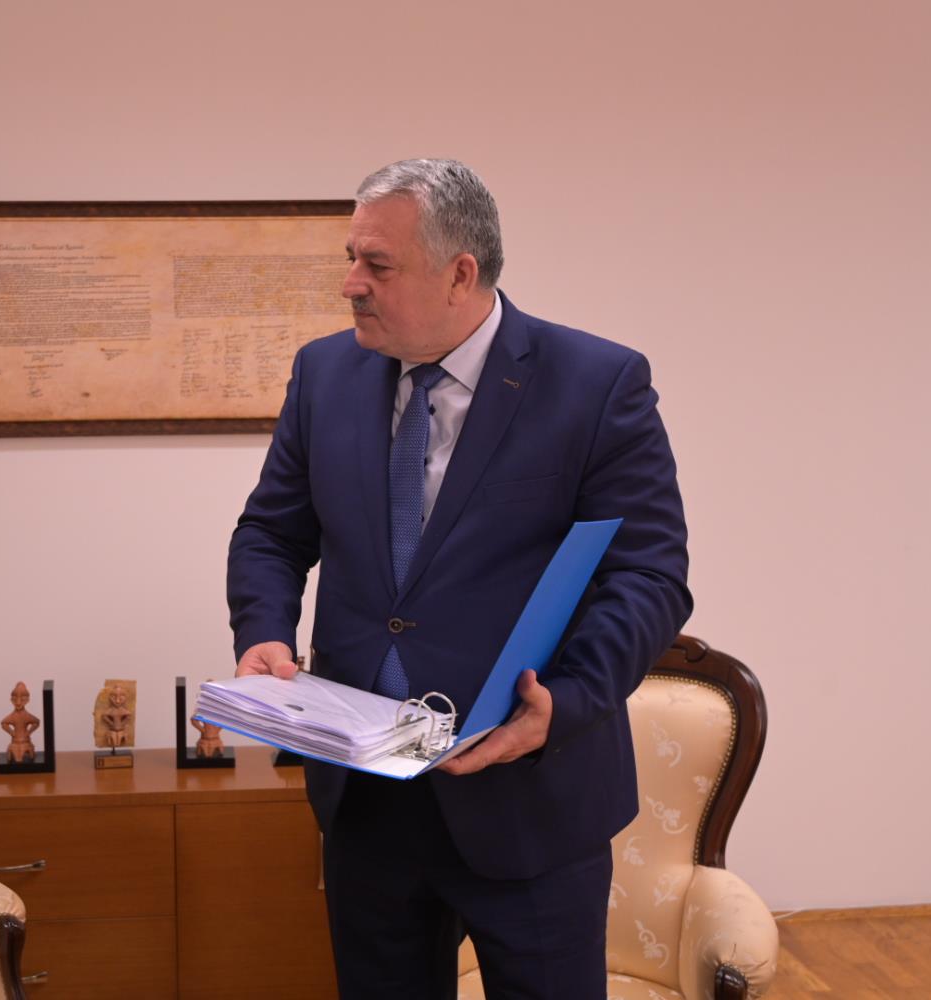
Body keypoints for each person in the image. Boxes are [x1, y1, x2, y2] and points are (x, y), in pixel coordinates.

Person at [227, 159, 690, 999]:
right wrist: (263, 629)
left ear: (460, 273)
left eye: (377, 265)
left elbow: (649, 574)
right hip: (367, 795)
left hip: (527, 795)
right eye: (351, 258)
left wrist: (568, 700)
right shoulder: (324, 373)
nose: (350, 284)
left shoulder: (595, 384)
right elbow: (271, 530)